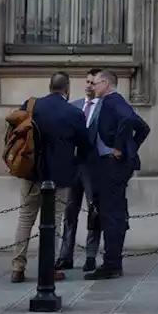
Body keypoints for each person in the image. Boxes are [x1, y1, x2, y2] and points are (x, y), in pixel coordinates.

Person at [11, 72, 92, 284]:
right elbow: (85, 145)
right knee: (53, 222)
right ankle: (47, 268)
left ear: (49, 86)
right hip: (60, 176)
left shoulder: (31, 106)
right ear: (67, 90)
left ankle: (17, 267)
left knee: (25, 218)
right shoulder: (74, 113)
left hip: (31, 172)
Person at [83, 69, 150, 280]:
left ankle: (112, 264)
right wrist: (131, 147)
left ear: (105, 83)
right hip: (111, 164)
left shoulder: (113, 102)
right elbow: (143, 127)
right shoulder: (115, 103)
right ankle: (113, 261)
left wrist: (121, 148)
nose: (92, 87)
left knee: (111, 213)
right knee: (113, 211)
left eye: (95, 84)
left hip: (112, 165)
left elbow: (131, 122)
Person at [55, 68, 104, 273]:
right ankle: (65, 255)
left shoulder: (104, 107)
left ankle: (91, 255)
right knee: (69, 211)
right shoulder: (74, 106)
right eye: (87, 82)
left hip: (93, 166)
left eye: (93, 83)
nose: (89, 86)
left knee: (94, 210)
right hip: (73, 165)